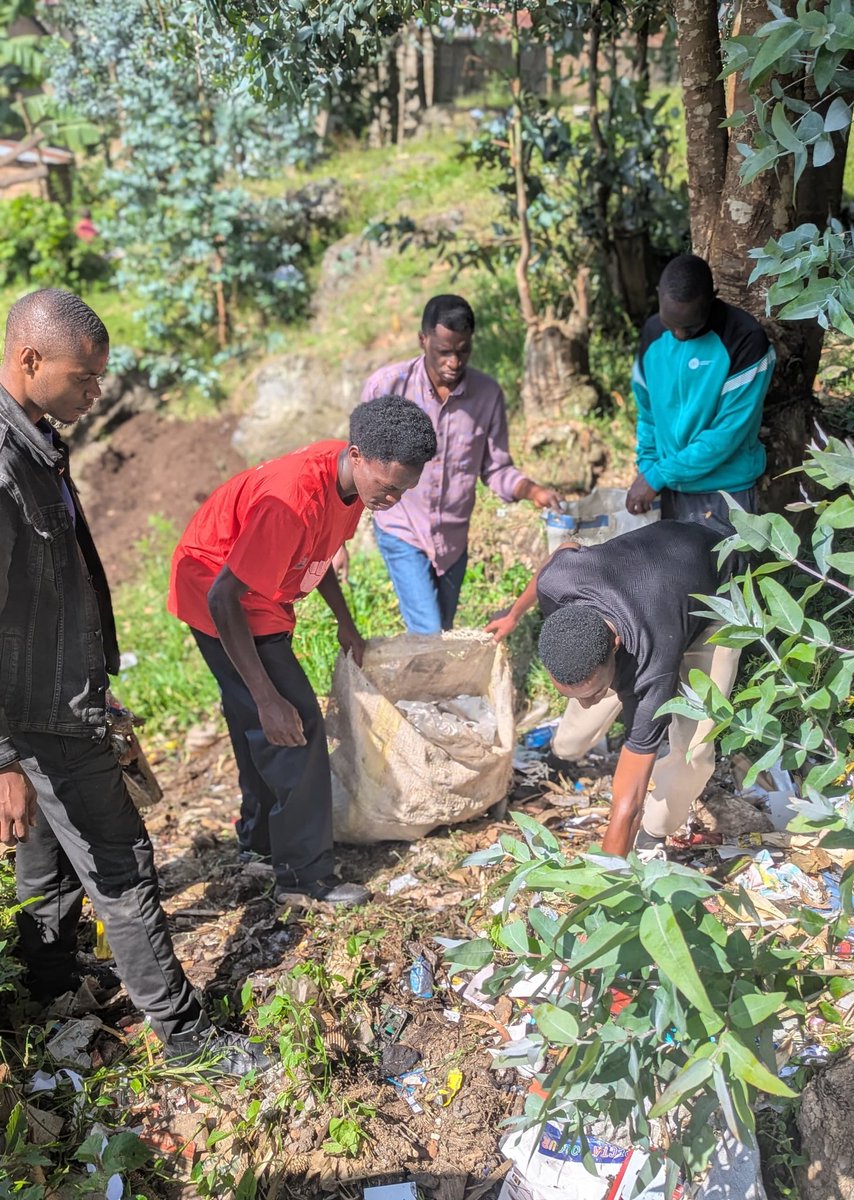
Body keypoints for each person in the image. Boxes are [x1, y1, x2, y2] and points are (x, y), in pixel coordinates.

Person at [0, 289, 263, 1074]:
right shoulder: (3, 466)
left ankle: (49, 985)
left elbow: (51, 591)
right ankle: (186, 1038)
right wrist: (4, 760)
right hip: (34, 715)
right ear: (30, 360)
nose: (96, 392)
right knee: (123, 867)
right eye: (84, 377)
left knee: (49, 852)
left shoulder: (36, 442)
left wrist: (91, 678)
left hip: (57, 695)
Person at [168, 395, 437, 906]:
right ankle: (304, 877)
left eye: (404, 490)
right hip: (220, 595)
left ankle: (260, 843)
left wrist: (345, 622)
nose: (394, 499)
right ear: (357, 455)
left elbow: (319, 551)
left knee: (259, 722)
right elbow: (224, 597)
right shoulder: (290, 502)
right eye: (388, 487)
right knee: (294, 726)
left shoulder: (348, 481)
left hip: (253, 590)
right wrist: (267, 697)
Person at [486, 520, 739, 856]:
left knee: (695, 747)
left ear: (616, 646)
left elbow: (628, 801)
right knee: (587, 700)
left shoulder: (651, 671)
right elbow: (564, 550)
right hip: (650, 580)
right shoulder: (558, 584)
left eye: (593, 691)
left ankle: (654, 833)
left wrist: (607, 874)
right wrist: (514, 614)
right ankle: (563, 752)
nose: (587, 702)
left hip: (714, 596)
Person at [342, 294, 562, 633]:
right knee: (428, 630)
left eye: (463, 351)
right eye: (444, 351)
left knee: (441, 630)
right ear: (423, 340)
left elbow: (496, 468)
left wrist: (533, 491)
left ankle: (426, 669)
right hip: (402, 528)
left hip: (453, 539)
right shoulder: (387, 385)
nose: (454, 362)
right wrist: (338, 539)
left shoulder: (487, 395)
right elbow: (357, 466)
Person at [625, 254, 775, 535]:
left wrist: (658, 474)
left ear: (712, 298)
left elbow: (726, 435)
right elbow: (647, 415)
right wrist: (648, 468)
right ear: (658, 296)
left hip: (725, 493)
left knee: (724, 566)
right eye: (671, 325)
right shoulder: (652, 335)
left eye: (690, 327)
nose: (680, 335)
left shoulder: (744, 340)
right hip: (669, 490)